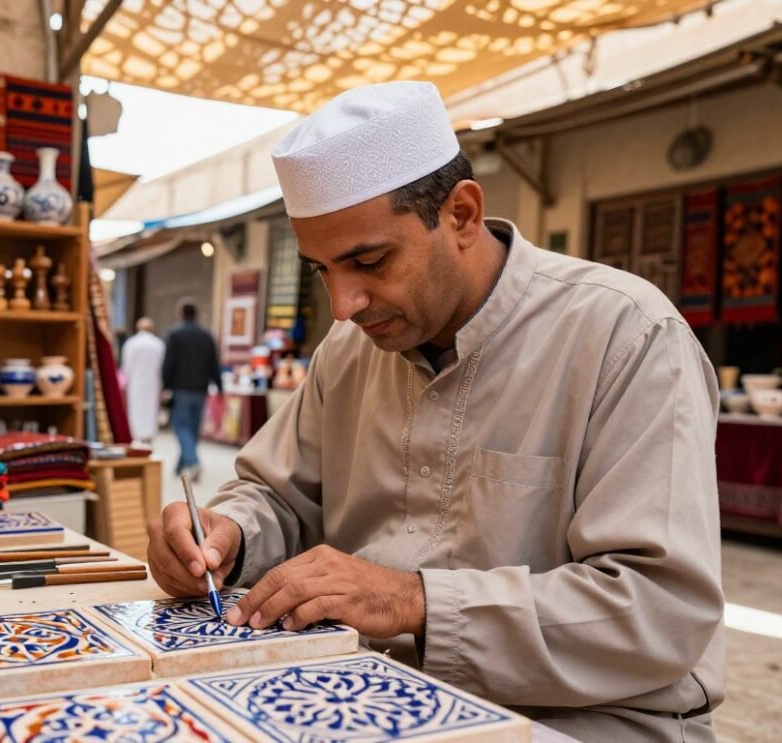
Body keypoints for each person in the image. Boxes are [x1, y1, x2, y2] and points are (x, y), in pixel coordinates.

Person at [147, 82, 723, 742]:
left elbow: (660, 609)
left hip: (583, 721)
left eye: (368, 261)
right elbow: (277, 496)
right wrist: (227, 535)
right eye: (322, 271)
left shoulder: (627, 338)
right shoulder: (348, 351)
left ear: (463, 214)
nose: (344, 305)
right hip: (371, 694)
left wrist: (413, 600)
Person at [162, 299, 221, 481]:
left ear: (180, 313)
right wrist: (219, 385)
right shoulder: (206, 335)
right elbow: (213, 362)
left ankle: (193, 462)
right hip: (200, 389)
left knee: (181, 427)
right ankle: (181, 464)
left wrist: (166, 386)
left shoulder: (175, 334)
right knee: (192, 428)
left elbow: (169, 362)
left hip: (181, 388)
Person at [121, 317, 165, 445]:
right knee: (150, 410)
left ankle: (136, 435)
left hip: (135, 382)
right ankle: (147, 435)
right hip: (153, 382)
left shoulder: (131, 343)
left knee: (136, 408)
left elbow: (126, 366)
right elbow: (162, 366)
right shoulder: (158, 344)